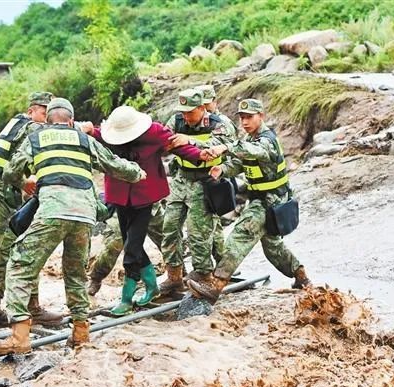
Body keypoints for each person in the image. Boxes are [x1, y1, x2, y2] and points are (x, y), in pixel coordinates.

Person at [0, 98, 146, 354]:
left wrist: (25, 182)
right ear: (71, 120)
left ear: (48, 119)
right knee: (75, 274)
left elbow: (9, 172)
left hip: (53, 211)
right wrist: (137, 172)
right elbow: (114, 165)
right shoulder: (84, 139)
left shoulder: (36, 138)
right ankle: (80, 332)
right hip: (84, 215)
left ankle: (19, 337)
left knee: (20, 265)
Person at [187, 98, 311, 303]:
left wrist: (225, 148)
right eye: (242, 118)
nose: (244, 122)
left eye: (249, 117)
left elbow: (256, 152)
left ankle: (215, 286)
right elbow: (240, 162)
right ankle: (302, 278)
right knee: (273, 248)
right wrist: (223, 170)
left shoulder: (266, 140)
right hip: (263, 199)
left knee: (239, 236)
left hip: (270, 201)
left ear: (261, 116)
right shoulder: (250, 139)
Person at [90, 105, 205, 315]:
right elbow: (95, 135)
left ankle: (126, 298)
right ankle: (151, 287)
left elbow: (178, 147)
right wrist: (86, 129)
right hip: (119, 195)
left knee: (132, 249)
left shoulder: (154, 132)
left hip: (144, 195)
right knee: (129, 243)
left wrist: (201, 154)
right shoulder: (107, 135)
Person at [0, 92, 63, 329]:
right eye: (45, 113)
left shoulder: (16, 125)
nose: (47, 119)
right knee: (21, 253)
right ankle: (31, 309)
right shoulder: (30, 126)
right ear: (32, 110)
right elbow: (48, 136)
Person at [158, 89, 234, 295]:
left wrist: (190, 141)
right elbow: (166, 140)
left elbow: (222, 145)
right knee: (170, 227)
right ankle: (174, 276)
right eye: (182, 111)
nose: (185, 116)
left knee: (198, 232)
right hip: (182, 179)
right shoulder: (176, 121)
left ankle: (203, 274)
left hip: (205, 181)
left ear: (202, 108)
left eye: (190, 112)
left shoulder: (219, 124)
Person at [87, 204, 164, 296]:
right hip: (124, 202)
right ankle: (96, 278)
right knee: (115, 241)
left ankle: (177, 273)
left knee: (165, 238)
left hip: (149, 199)